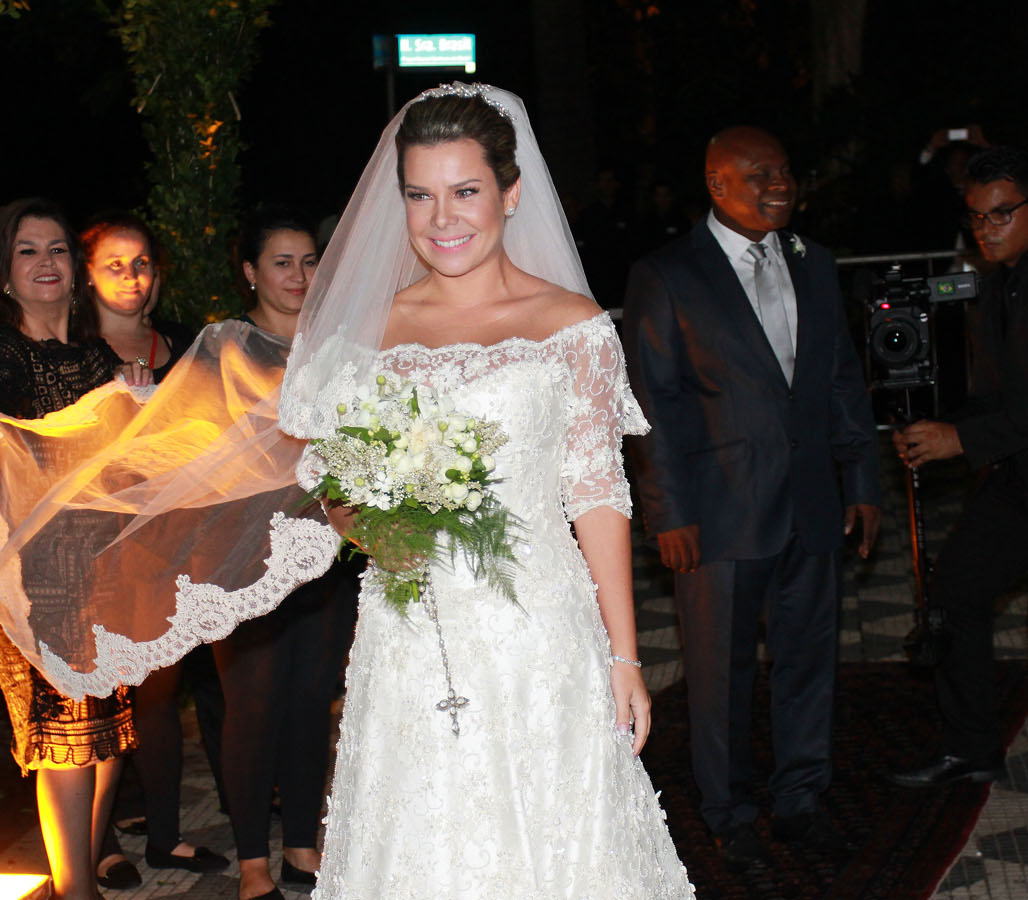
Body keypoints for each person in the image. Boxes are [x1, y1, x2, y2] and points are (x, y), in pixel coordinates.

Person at [277, 84, 691, 898]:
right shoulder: (368, 329)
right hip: (408, 634)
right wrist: (369, 525)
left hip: (542, 633)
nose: (443, 218)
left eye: (465, 191)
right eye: (420, 196)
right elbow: (332, 479)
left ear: (510, 193)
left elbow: (597, 492)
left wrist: (625, 655)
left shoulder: (570, 325)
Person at [621, 126, 882, 872]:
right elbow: (653, 403)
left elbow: (839, 381)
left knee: (809, 665)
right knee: (720, 679)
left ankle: (801, 798)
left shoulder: (816, 263)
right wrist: (668, 512)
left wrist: (860, 482)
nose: (781, 184)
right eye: (761, 173)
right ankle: (728, 813)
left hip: (812, 504)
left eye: (786, 171)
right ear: (717, 183)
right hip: (718, 514)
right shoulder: (668, 273)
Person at [0, 197, 150, 900]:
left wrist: (138, 406)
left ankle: (84, 876)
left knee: (105, 733)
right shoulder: (2, 355)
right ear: (5, 277)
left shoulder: (96, 355)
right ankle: (75, 891)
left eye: (57, 250)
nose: (46, 264)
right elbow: (6, 435)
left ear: (76, 271)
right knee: (67, 741)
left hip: (106, 564)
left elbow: (126, 465)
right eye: (27, 252)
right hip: (43, 574)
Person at [76, 212, 227, 886]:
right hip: (97, 552)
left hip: (171, 546)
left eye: (141, 264)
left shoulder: (184, 347)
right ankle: (97, 846)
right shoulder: (74, 352)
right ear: (87, 277)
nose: (131, 277)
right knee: (98, 702)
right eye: (114, 264)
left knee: (160, 696)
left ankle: (165, 836)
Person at [214, 209, 358, 900]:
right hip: (247, 557)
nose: (298, 276)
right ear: (250, 271)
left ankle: (302, 845)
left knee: (309, 700)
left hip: (326, 551)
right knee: (254, 705)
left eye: (308, 262)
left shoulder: (336, 346)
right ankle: (251, 865)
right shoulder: (226, 346)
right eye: (281, 262)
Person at [888, 146, 1028, 788]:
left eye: (1001, 215)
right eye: (976, 218)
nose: (986, 230)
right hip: (1015, 473)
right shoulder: (1000, 281)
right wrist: (941, 428)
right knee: (954, 593)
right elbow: (1002, 394)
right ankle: (972, 747)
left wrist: (960, 439)